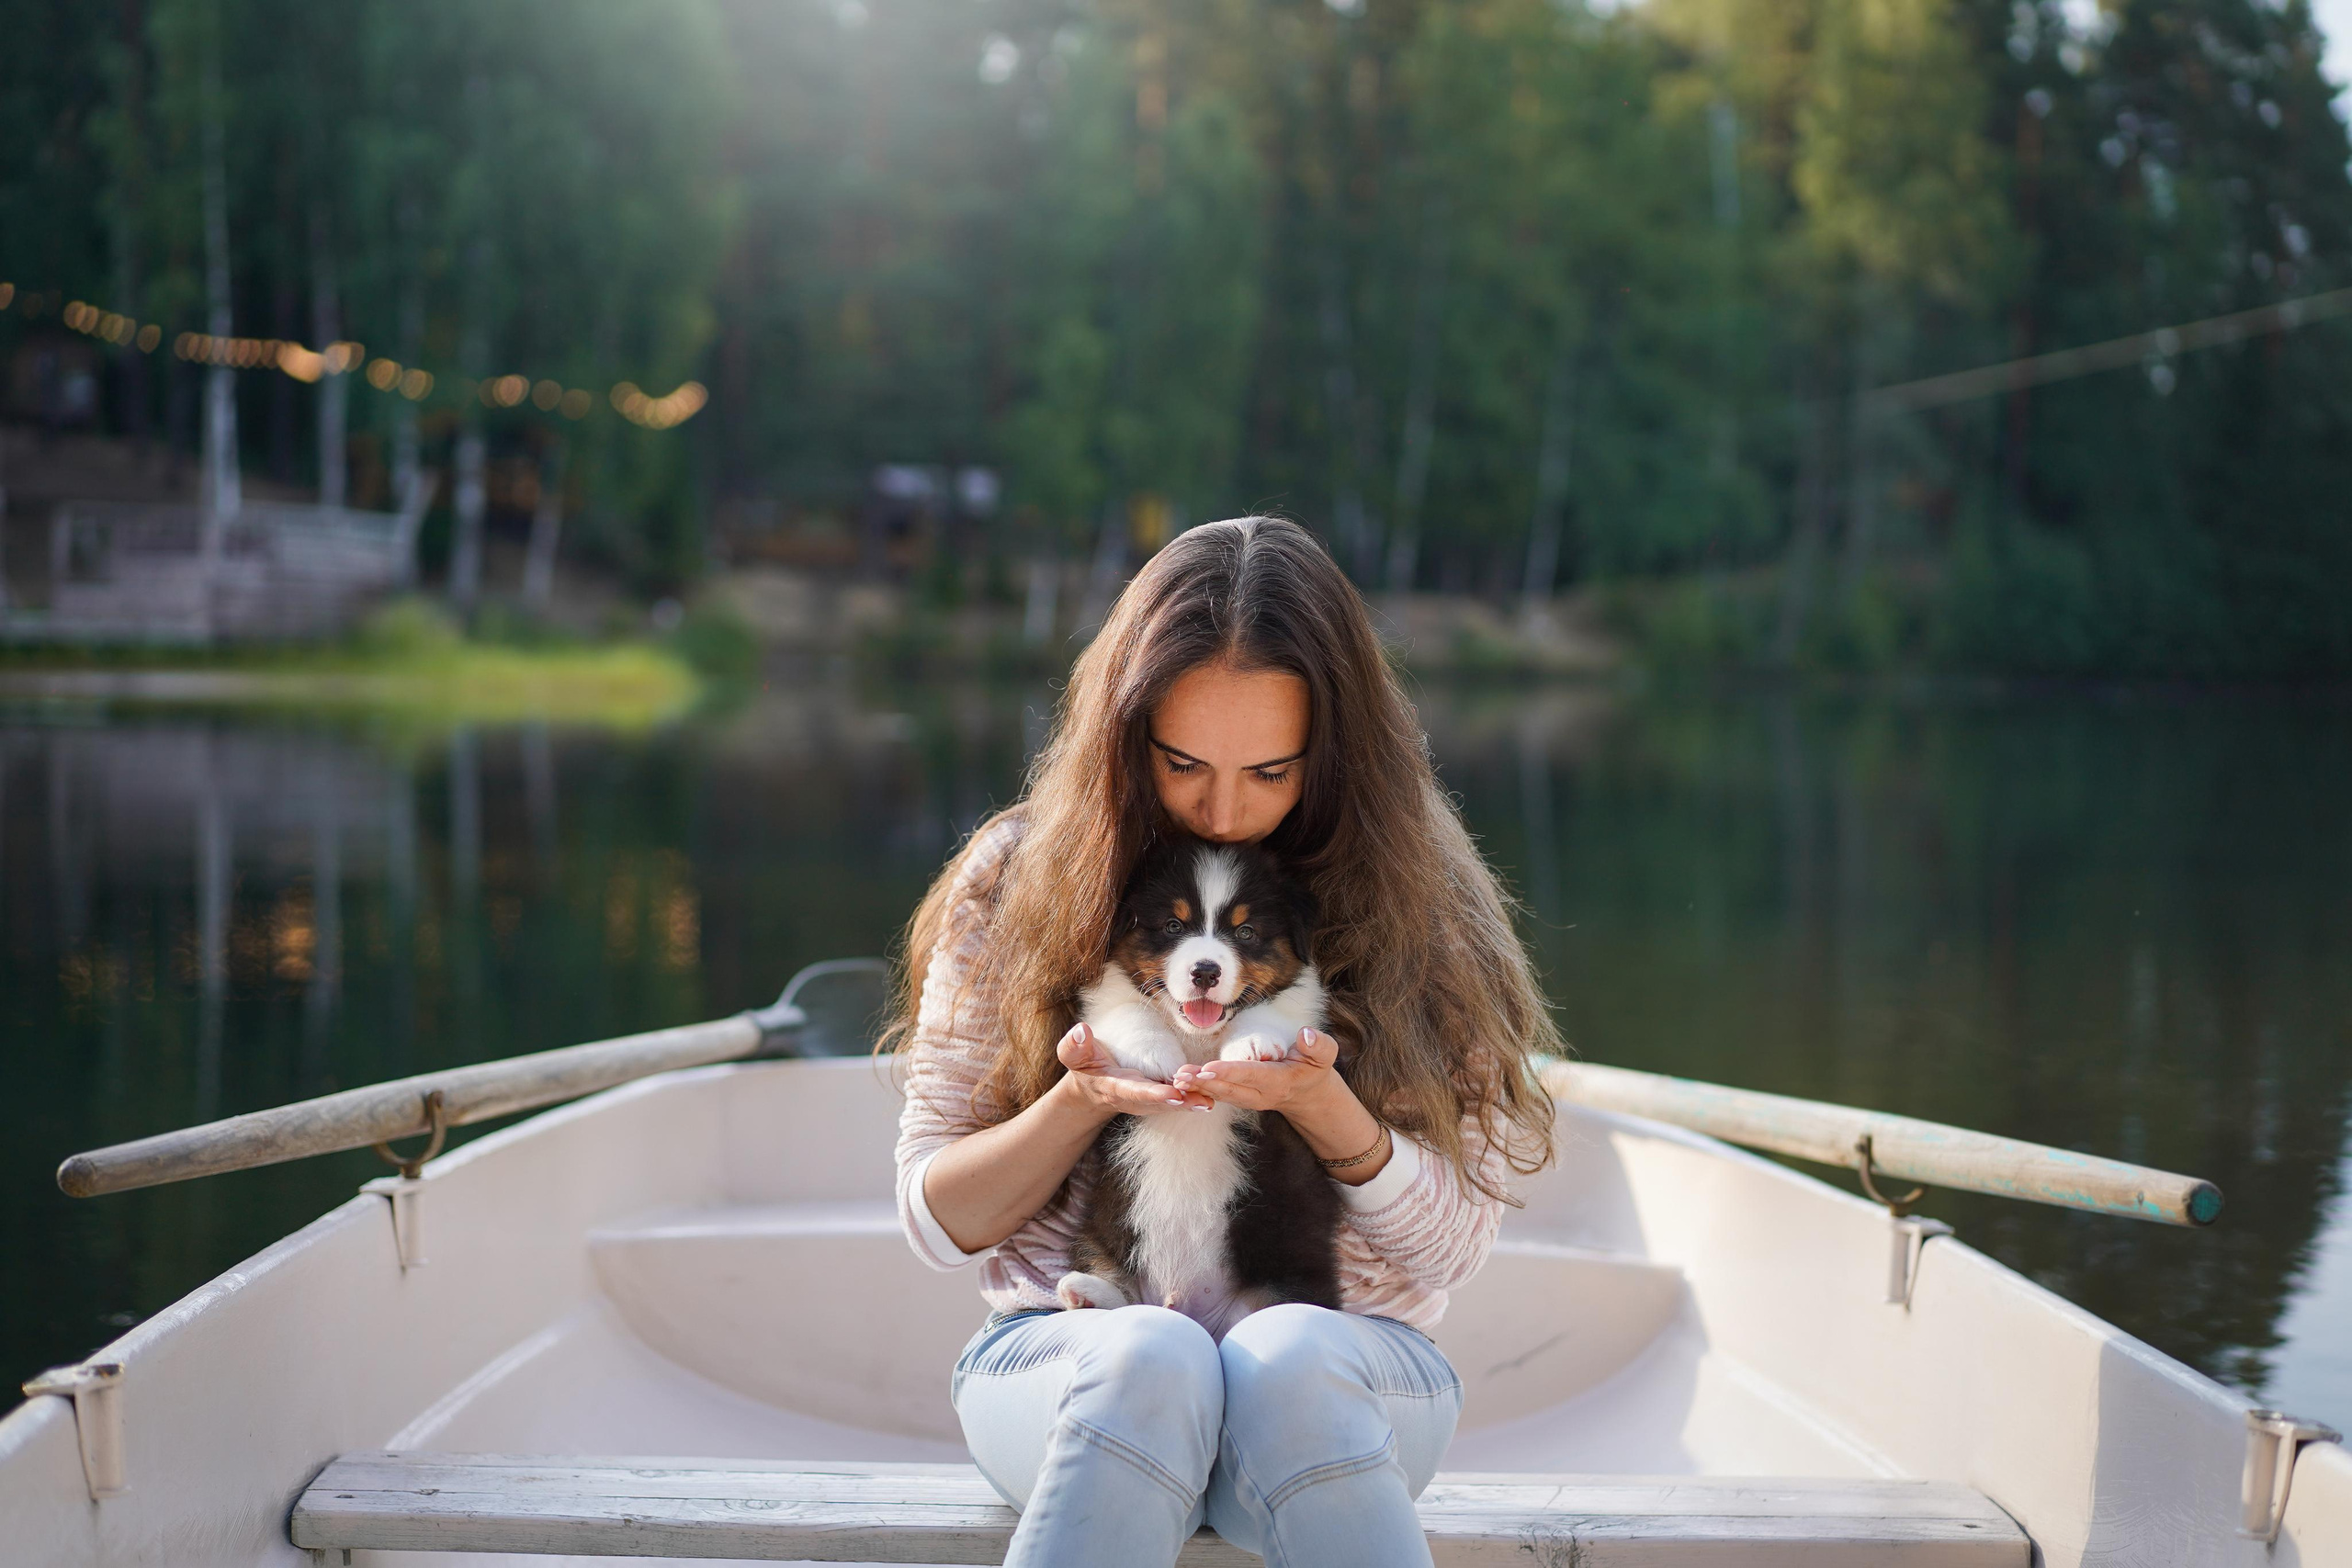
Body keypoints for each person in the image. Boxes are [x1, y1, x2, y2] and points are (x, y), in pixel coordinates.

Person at [884, 516, 1560, 1567]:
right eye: (1184, 763)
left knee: (1286, 1354)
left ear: (1335, 754)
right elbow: (934, 1222)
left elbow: (1454, 1249)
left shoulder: (1417, 901)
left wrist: (1321, 1106)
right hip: (1068, 1360)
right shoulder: (1016, 878)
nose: (1228, 811)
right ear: (1124, 734)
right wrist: (1082, 1100)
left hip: (1351, 1372)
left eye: (1273, 771)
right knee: (1149, 1353)